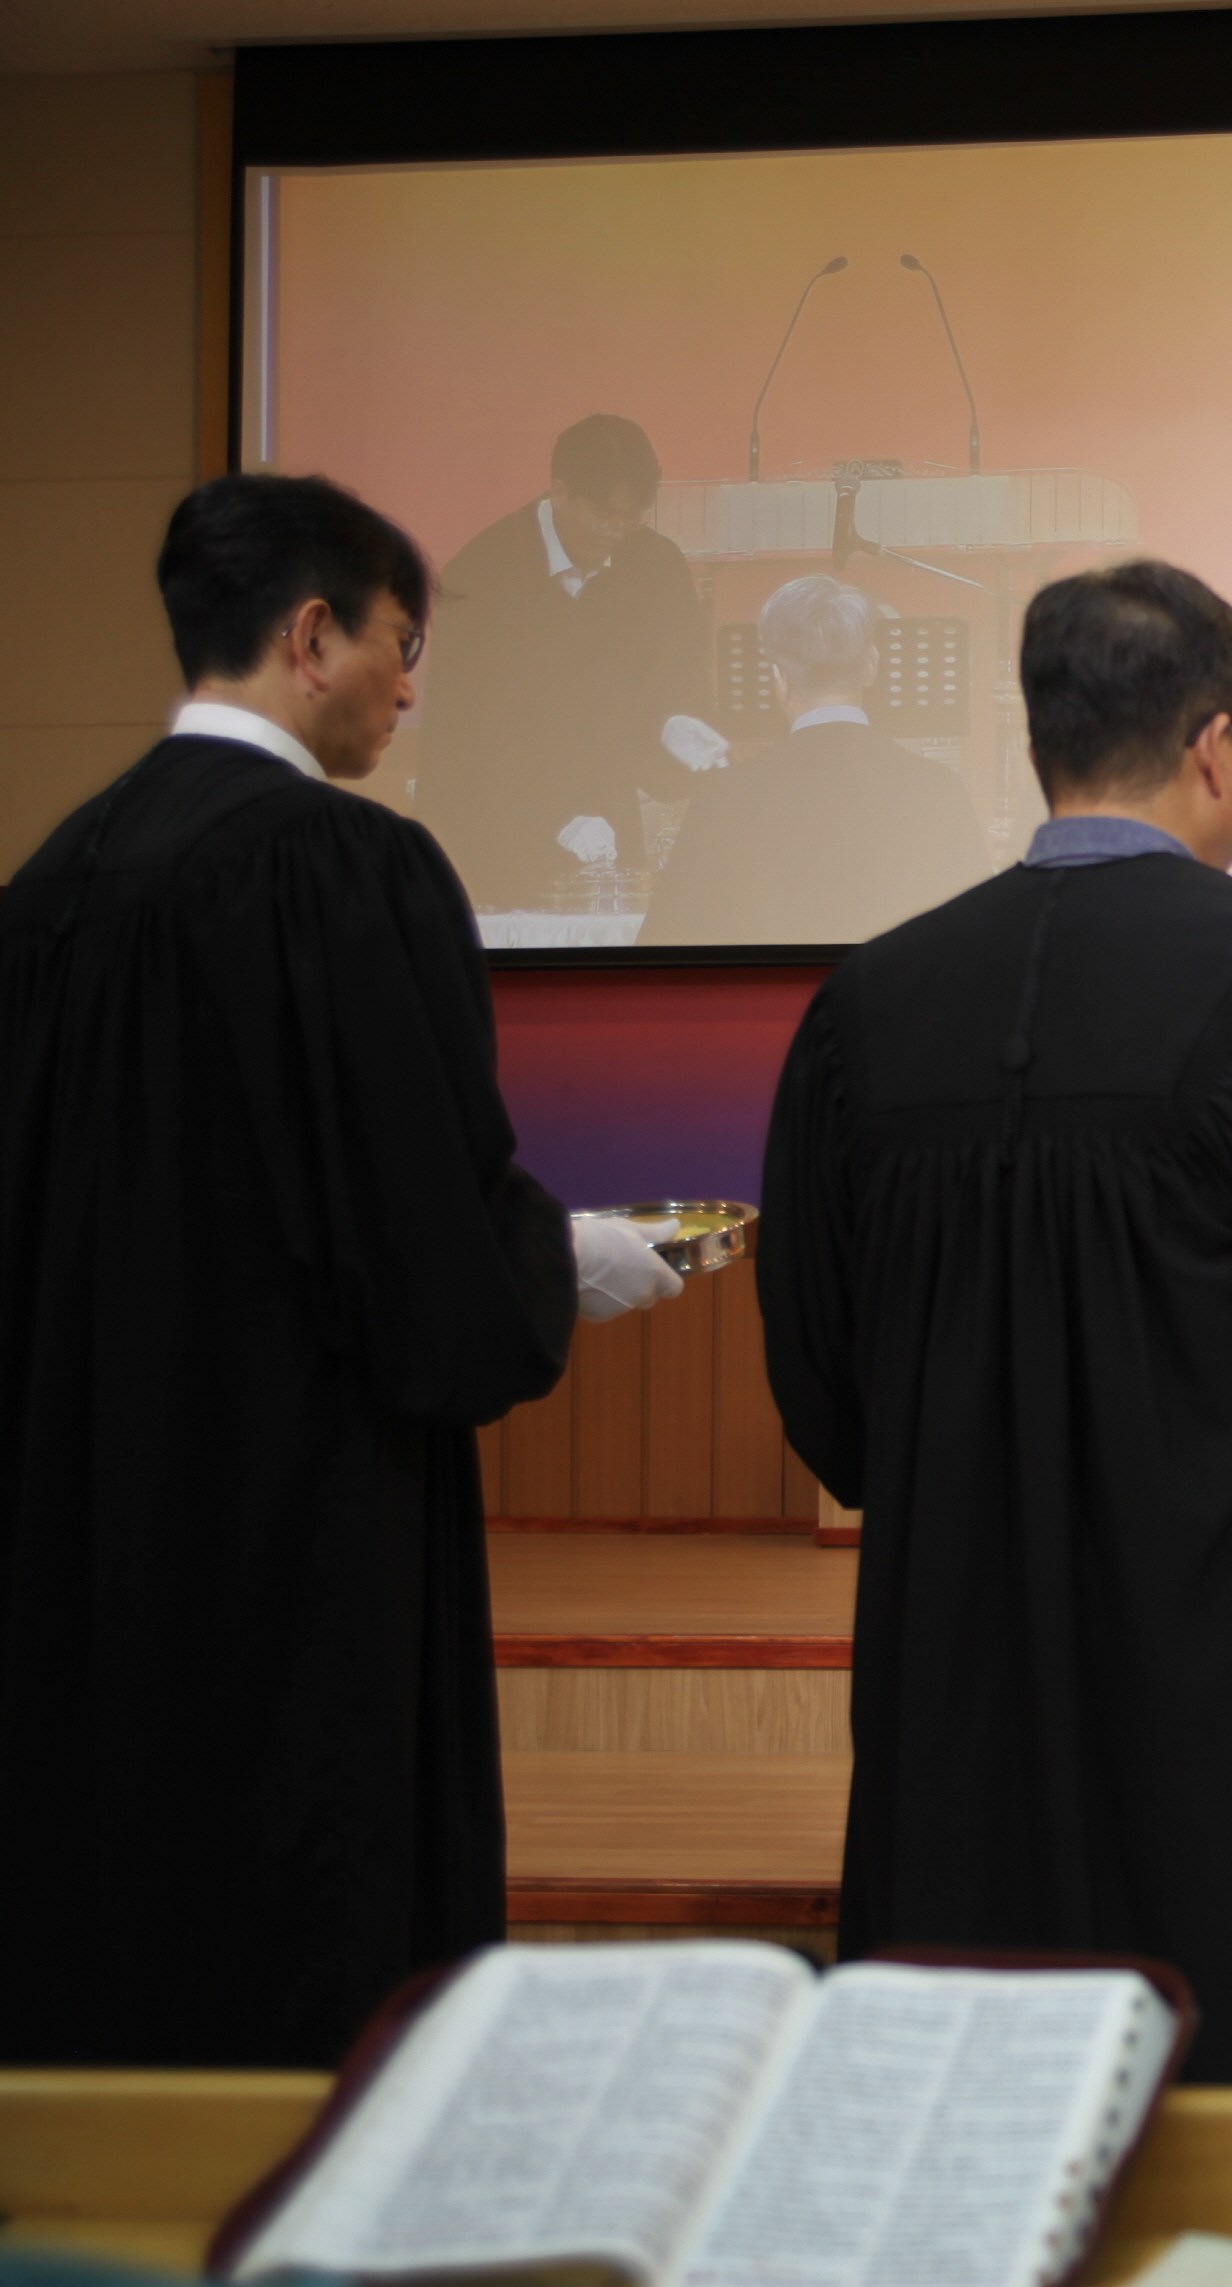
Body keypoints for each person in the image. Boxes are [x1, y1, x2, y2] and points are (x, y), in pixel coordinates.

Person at [759, 558, 1232, 2084]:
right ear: (1214, 743)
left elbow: (821, 1361)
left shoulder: (870, 1004)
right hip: (1225, 1630)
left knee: (961, 2043)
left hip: (949, 1628)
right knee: (1228, 2023)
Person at [0, 474, 683, 2068]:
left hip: (70, 1524)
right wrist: (559, 1258)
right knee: (301, 1952)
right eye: (401, 643)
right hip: (288, 1533)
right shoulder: (341, 868)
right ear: (312, 635)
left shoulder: (45, 889)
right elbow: (413, 1225)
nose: (409, 687)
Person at [412, 413, 727, 908]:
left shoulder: (656, 564)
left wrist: (681, 726)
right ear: (559, 493)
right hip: (505, 829)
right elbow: (470, 736)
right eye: (605, 516)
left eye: (635, 517)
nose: (618, 532)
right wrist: (555, 817)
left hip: (614, 823)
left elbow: (680, 677)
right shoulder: (480, 577)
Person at [642, 574, 991, 945]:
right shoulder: (937, 787)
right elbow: (981, 936)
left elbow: (664, 941)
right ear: (871, 665)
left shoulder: (724, 795)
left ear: (780, 678)